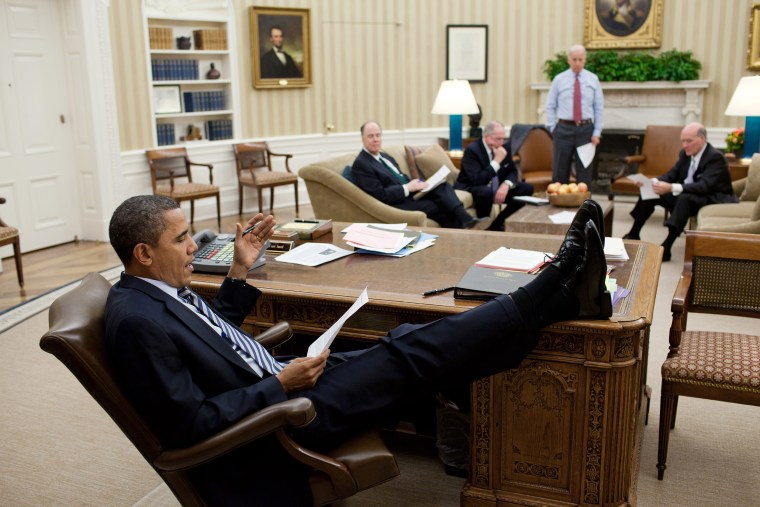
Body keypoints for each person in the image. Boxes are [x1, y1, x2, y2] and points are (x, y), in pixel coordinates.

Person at [105, 194, 610, 505]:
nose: (194, 245)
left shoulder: (157, 290)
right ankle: (547, 290)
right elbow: (188, 424)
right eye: (182, 238)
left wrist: (240, 270)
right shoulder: (135, 323)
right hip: (281, 418)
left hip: (278, 378)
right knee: (407, 357)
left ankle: (557, 300)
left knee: (407, 339)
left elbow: (212, 336)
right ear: (144, 254)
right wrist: (282, 384)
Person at [622, 122, 737, 261]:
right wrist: (652, 182)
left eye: (689, 141)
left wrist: (671, 187)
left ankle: (667, 247)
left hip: (711, 197)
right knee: (651, 191)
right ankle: (634, 233)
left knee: (684, 199)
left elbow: (704, 186)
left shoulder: (715, 157)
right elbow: (672, 175)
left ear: (702, 139)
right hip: (689, 193)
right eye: (683, 141)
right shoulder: (685, 153)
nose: (685, 145)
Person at [351, 121, 484, 229]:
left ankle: (467, 220)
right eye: (370, 136)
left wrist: (418, 184)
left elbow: (401, 177)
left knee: (442, 185)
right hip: (396, 204)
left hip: (409, 195)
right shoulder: (361, 164)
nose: (375, 139)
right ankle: (464, 227)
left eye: (378, 135)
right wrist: (407, 188)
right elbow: (380, 195)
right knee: (441, 205)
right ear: (362, 138)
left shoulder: (384, 156)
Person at [455, 121, 535, 231]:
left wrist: (506, 185)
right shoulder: (472, 150)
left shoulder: (504, 147)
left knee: (527, 188)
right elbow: (478, 180)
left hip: (496, 187)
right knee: (485, 192)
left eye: (503, 138)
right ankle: (483, 225)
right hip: (473, 187)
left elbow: (512, 171)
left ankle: (497, 224)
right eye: (498, 139)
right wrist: (497, 161)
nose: (501, 143)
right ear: (486, 137)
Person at [545, 44, 604, 186]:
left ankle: (584, 206)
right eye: (574, 59)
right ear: (568, 60)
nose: (577, 63)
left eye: (580, 60)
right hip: (563, 129)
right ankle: (558, 205)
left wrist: (596, 132)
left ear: (585, 60)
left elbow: (599, 107)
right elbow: (550, 105)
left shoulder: (593, 79)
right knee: (560, 171)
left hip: (586, 130)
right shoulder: (559, 79)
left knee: (584, 172)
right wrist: (553, 128)